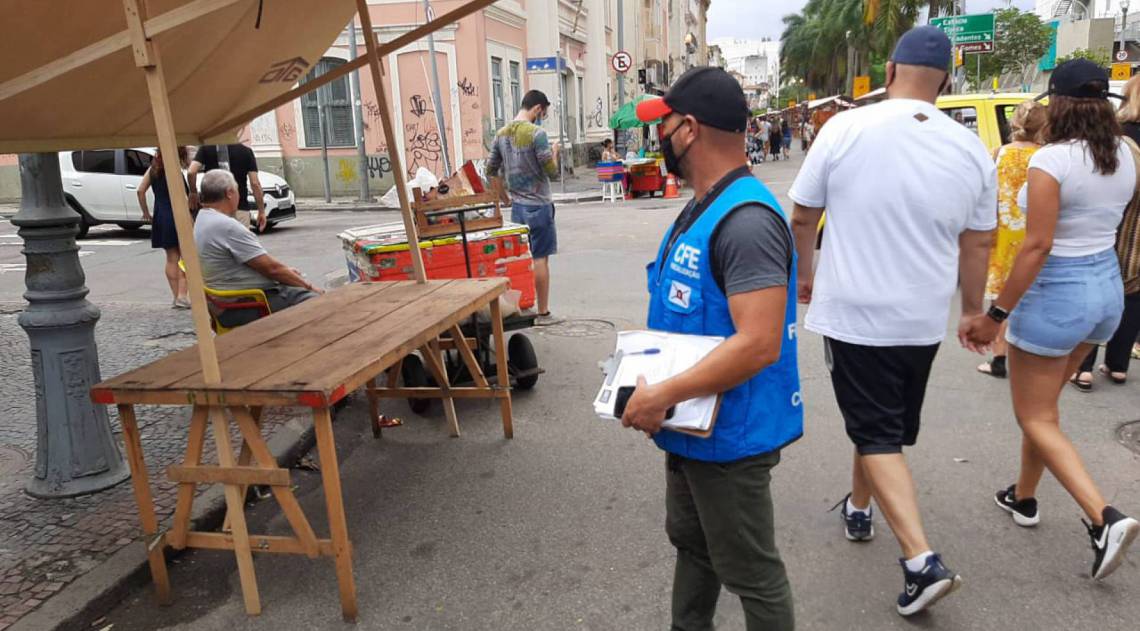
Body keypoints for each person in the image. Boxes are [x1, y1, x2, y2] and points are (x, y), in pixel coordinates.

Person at [789, 26, 996, 616]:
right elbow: (978, 243)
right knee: (879, 422)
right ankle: (860, 509)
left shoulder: (845, 128)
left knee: (876, 430)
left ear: (888, 71)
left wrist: (806, 275)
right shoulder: (970, 148)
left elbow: (804, 215)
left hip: (856, 314)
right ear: (947, 82)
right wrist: (975, 310)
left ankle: (920, 561)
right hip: (922, 319)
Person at [621, 66, 801, 631]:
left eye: (663, 124)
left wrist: (664, 394)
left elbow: (758, 343)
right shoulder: (704, 204)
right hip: (692, 424)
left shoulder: (746, 221)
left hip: (730, 437)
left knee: (751, 572)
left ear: (689, 130)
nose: (658, 137)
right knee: (694, 547)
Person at [963, 59, 1140, 579]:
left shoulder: (1052, 161)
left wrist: (996, 314)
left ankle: (1103, 518)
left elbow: (1037, 246)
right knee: (1042, 410)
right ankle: (1024, 496)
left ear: (1056, 103)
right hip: (1106, 291)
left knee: (1035, 414)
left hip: (1057, 295)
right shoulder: (1127, 155)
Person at [1072, 73, 1140, 389]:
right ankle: (1117, 365)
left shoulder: (1119, 137)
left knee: (1098, 291)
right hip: (1137, 229)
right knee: (1134, 294)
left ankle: (1084, 365)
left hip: (1114, 222)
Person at [194, 170, 322, 328]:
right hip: (245, 304)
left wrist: (287, 272)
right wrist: (309, 286)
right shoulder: (226, 226)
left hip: (224, 302)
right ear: (229, 193)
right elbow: (272, 269)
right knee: (320, 303)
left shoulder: (203, 218)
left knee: (292, 282)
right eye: (238, 190)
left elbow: (261, 264)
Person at [977, 101, 1047, 378]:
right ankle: (1028, 358)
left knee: (1001, 299)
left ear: (1014, 124)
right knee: (1032, 295)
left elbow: (985, 196)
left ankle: (998, 359)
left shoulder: (997, 154)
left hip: (1003, 232)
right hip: (1035, 232)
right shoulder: (1047, 156)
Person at [486, 90, 561, 326]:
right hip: (538, 205)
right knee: (540, 259)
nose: (542, 117)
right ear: (537, 108)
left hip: (517, 207)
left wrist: (503, 197)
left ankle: (520, 304)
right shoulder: (537, 134)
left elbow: (491, 170)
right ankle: (543, 310)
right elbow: (552, 171)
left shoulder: (501, 134)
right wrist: (555, 153)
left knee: (520, 260)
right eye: (544, 112)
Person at [137, 146, 191, 309]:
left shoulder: (153, 170)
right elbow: (183, 197)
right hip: (177, 215)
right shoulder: (173, 171)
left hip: (161, 215)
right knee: (187, 257)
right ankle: (183, 294)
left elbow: (140, 191)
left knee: (171, 258)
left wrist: (146, 212)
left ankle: (177, 297)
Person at [188, 141, 267, 233]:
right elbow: (255, 183)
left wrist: (193, 192)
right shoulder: (246, 151)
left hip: (215, 209)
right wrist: (261, 211)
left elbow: (191, 172)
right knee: (240, 244)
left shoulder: (206, 149)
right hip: (240, 208)